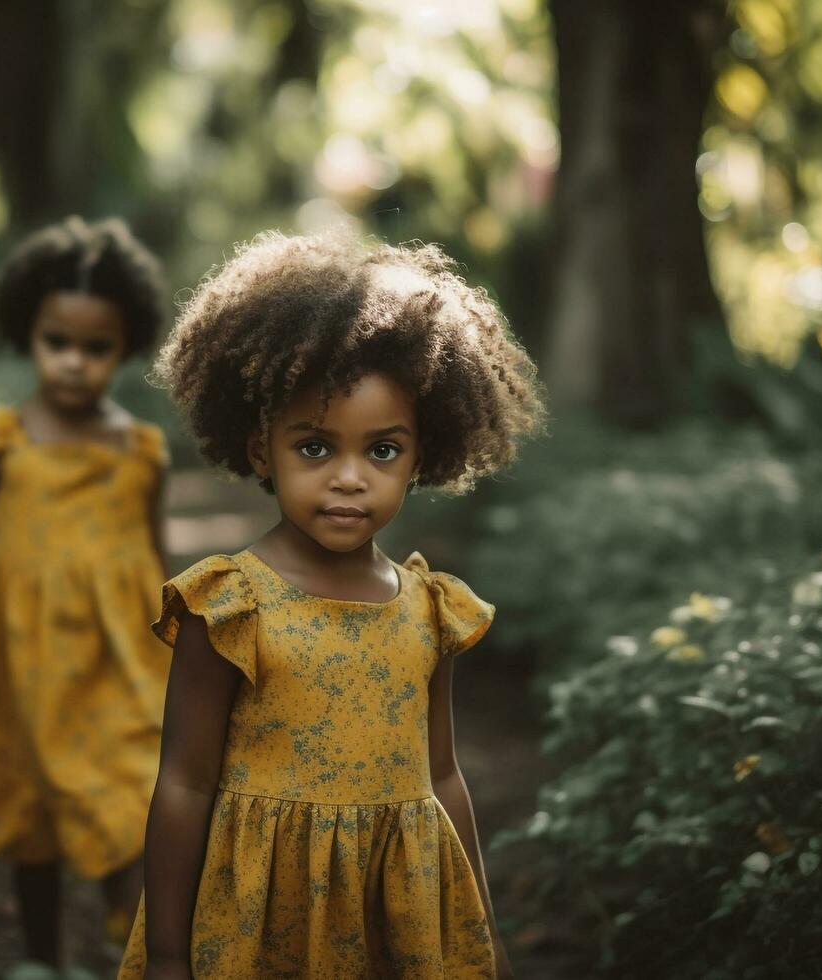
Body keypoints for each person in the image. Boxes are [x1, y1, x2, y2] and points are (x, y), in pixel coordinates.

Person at [122, 232, 547, 979]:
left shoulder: (429, 609)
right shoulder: (229, 607)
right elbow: (184, 782)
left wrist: (478, 931)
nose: (349, 478)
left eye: (381, 450)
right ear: (261, 450)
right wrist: (164, 954)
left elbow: (442, 775)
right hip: (259, 919)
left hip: (394, 912)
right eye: (315, 448)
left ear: (423, 456)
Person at [0, 216, 174, 964]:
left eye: (98, 348)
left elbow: (155, 558)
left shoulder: (141, 450)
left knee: (128, 796)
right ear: (26, 332)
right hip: (20, 664)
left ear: (127, 346)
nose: (75, 365)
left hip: (116, 664)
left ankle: (136, 946)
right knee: (32, 819)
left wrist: (183, 657)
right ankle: (41, 960)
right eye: (57, 342)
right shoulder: (0, 436)